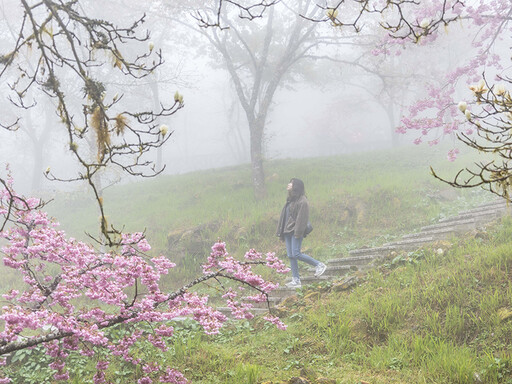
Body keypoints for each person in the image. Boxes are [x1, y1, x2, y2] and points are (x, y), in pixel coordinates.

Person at [276, 178, 326, 288]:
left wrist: (298, 233)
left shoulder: (302, 201)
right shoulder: (291, 200)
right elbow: (285, 217)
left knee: (296, 253)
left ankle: (319, 265)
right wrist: (282, 232)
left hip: (295, 231)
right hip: (287, 231)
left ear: (296, 186)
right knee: (291, 255)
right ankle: (296, 280)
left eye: (291, 183)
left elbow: (302, 219)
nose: (288, 184)